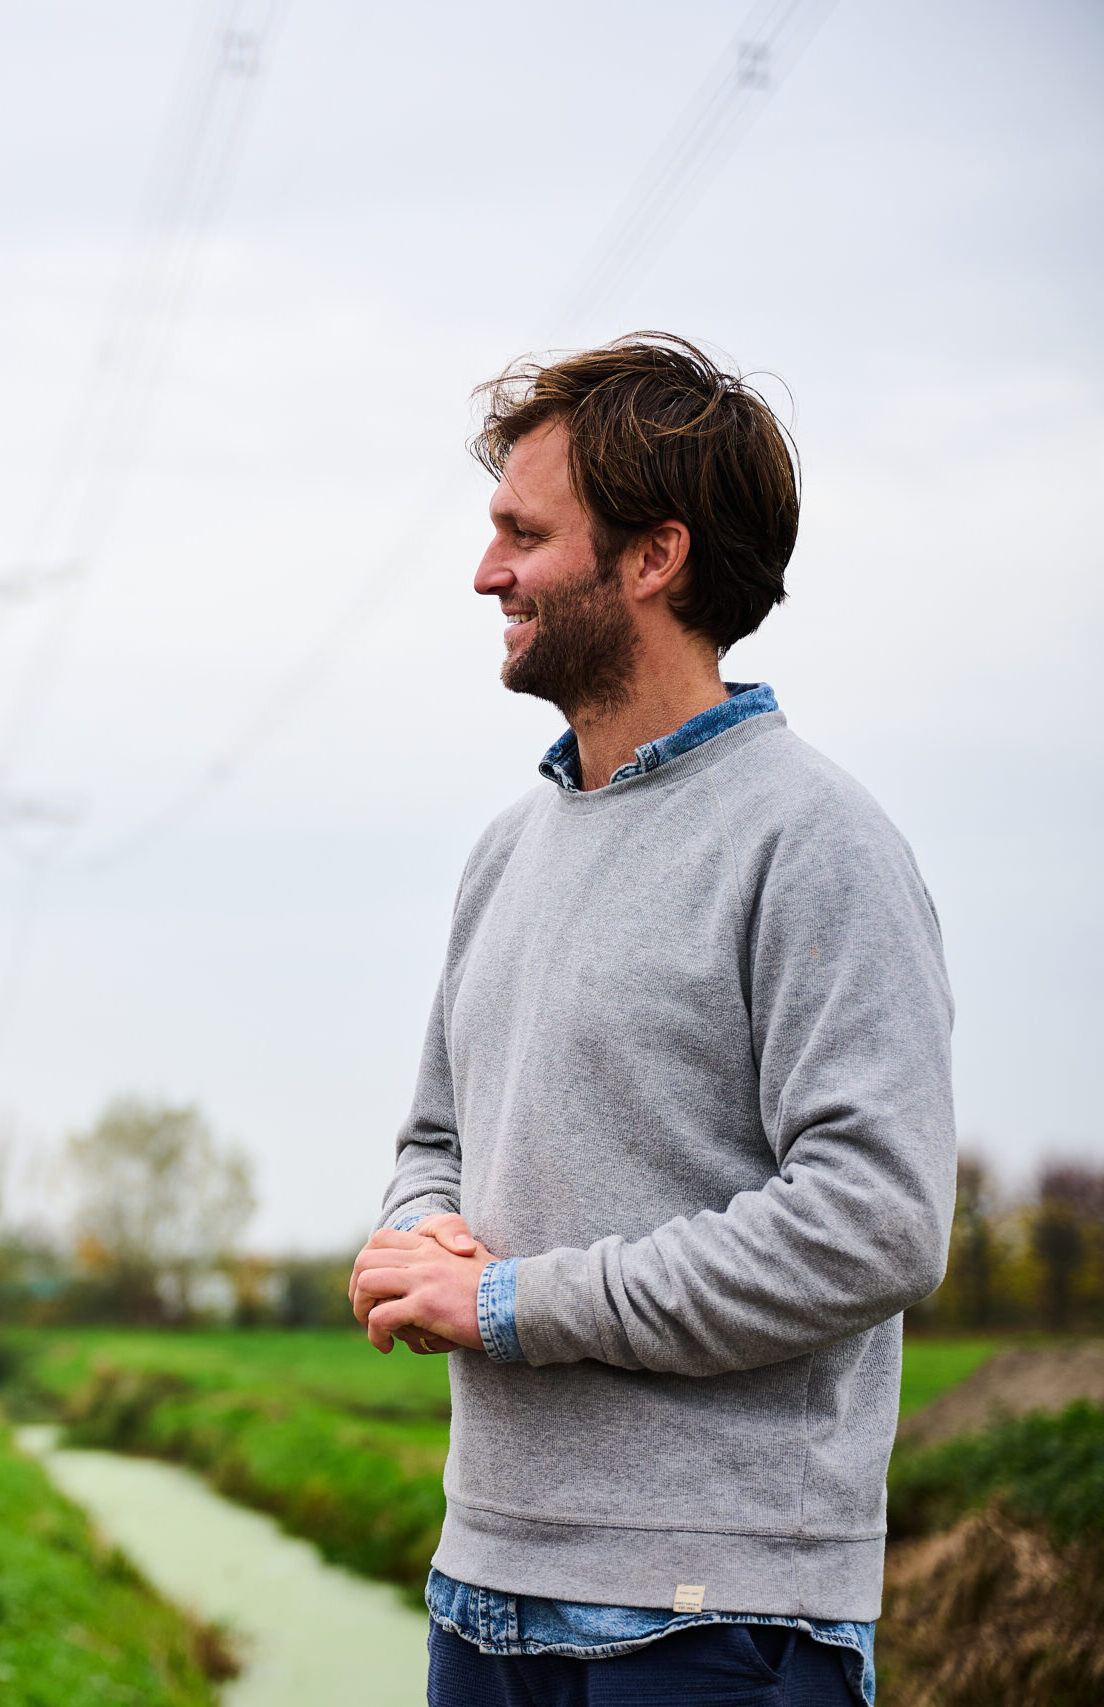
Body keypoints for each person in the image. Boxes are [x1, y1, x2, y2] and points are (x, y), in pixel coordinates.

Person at [349, 334, 954, 1706]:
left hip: (713, 1623)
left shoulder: (817, 844)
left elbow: (877, 1222)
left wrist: (505, 1303)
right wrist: (412, 1231)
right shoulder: (509, 847)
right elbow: (437, 1135)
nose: (486, 572)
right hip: (483, 1590)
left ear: (653, 557)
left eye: (524, 533)